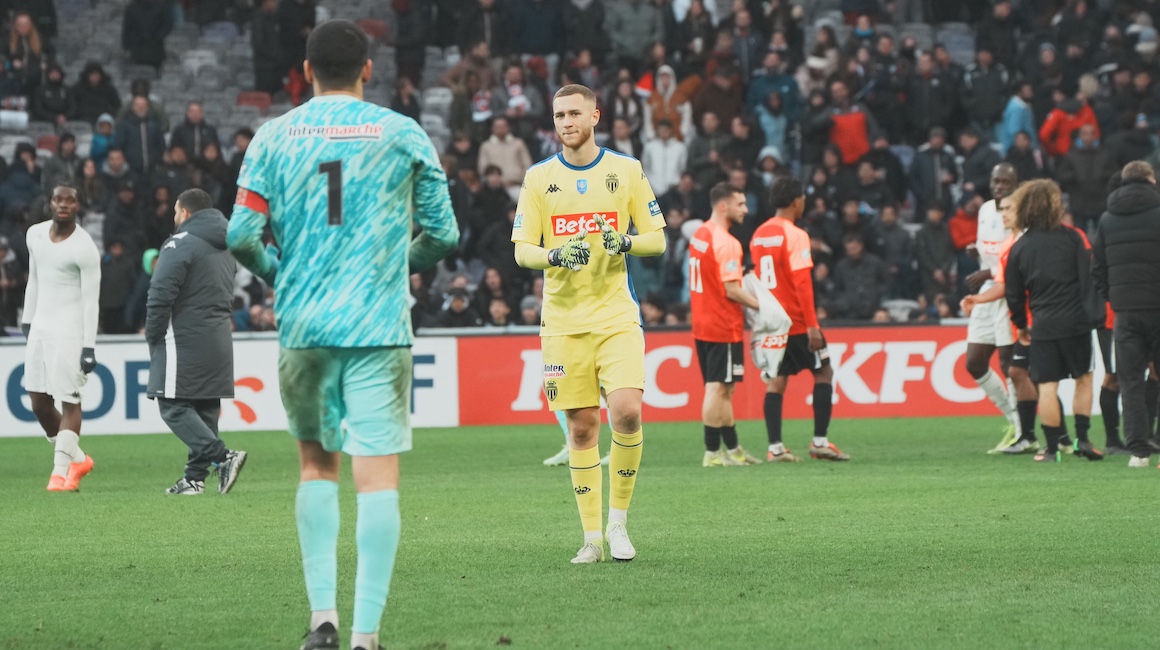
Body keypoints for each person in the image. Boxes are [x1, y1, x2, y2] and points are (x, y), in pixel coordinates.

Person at [226, 20, 459, 650]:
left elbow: (241, 236)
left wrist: (284, 274)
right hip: (378, 326)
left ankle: (321, 621)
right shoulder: (402, 133)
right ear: (369, 69)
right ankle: (365, 636)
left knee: (315, 466)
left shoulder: (272, 137)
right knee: (376, 477)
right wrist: (390, 263)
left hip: (305, 325)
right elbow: (444, 235)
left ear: (305, 71)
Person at [511, 83, 667, 564]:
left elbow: (657, 240)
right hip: (562, 322)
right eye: (558, 115)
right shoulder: (538, 178)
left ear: (596, 116)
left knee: (626, 413)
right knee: (581, 431)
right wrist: (556, 252)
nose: (565, 123)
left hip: (617, 314)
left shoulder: (626, 170)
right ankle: (591, 539)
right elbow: (522, 250)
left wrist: (624, 242)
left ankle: (618, 525)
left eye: (574, 113)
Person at [147, 189, 247, 496]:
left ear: (186, 214)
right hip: (218, 335)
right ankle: (194, 478)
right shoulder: (229, 246)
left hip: (184, 335)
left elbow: (161, 294)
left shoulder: (180, 243)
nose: (175, 218)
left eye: (177, 212)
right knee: (204, 406)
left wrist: (154, 336)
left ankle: (223, 457)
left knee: (172, 406)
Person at [750, 177, 849, 463]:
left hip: (770, 321)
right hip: (795, 320)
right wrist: (812, 325)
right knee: (823, 372)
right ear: (796, 201)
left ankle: (775, 448)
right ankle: (819, 441)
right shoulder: (795, 235)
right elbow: (802, 282)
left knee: (776, 382)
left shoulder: (758, 234)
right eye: (803, 199)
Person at [1005, 180, 1103, 463]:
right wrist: (1092, 315)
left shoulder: (1019, 247)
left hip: (1043, 325)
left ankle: (1050, 450)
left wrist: (1022, 324)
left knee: (1047, 386)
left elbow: (1013, 293)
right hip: (1076, 322)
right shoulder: (1074, 238)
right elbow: (1090, 278)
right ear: (1056, 205)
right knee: (1084, 378)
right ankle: (1082, 440)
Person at [22, 184, 100, 492]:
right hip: (40, 328)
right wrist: (28, 321)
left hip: (70, 331)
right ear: (50, 203)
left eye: (70, 200)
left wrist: (89, 345)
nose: (63, 204)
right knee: (39, 403)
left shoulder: (85, 248)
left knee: (69, 402)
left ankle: (59, 474)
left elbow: (91, 300)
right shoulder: (35, 235)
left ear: (78, 206)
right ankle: (78, 459)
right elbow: (34, 278)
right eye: (58, 199)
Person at [688, 182, 764, 467]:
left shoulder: (700, 233)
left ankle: (733, 450)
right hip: (722, 324)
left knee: (725, 388)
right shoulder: (728, 242)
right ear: (724, 206)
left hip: (702, 321)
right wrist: (763, 307)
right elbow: (731, 289)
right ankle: (711, 452)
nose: (746, 209)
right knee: (717, 387)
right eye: (741, 204)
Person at [1093, 161, 1160, 468]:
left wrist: (1116, 298)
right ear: (1150, 179)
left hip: (1126, 311)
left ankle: (1138, 451)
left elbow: (1099, 268)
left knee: (1130, 380)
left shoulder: (1107, 219)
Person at [961, 164, 1023, 452]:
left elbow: (1018, 257)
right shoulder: (986, 209)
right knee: (974, 362)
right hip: (988, 290)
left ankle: (1024, 431)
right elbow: (990, 251)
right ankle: (1014, 419)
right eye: (996, 181)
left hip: (1009, 292)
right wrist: (977, 255)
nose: (1000, 186)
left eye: (1006, 181)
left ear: (1016, 184)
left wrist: (987, 273)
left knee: (1010, 365)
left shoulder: (1022, 211)